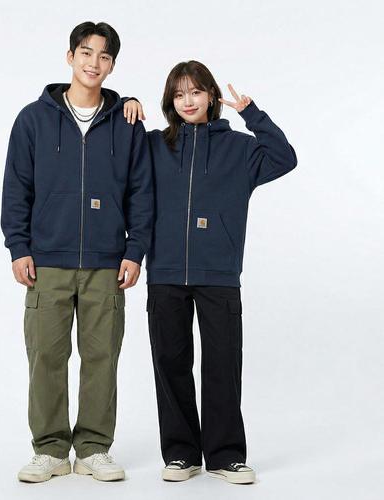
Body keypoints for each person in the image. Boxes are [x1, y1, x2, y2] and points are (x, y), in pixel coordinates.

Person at [125, 60, 297, 483]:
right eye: (179, 94)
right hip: (165, 273)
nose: (188, 101)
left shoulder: (239, 148)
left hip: (218, 274)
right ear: (170, 100)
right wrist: (124, 102)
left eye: (196, 92)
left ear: (211, 96)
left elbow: (285, 157)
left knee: (222, 364)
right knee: (170, 363)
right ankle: (181, 454)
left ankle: (225, 456)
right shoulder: (153, 145)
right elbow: (113, 148)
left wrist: (252, 113)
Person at [1, 21, 153, 483]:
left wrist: (135, 250)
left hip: (107, 263)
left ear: (112, 65)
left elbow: (141, 193)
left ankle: (92, 448)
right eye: (86, 53)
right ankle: (49, 449)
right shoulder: (33, 119)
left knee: (101, 357)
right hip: (47, 260)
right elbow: (17, 187)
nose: (94, 63)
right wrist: (19, 246)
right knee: (46, 357)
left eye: (104, 56)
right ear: (70, 56)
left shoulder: (127, 123)